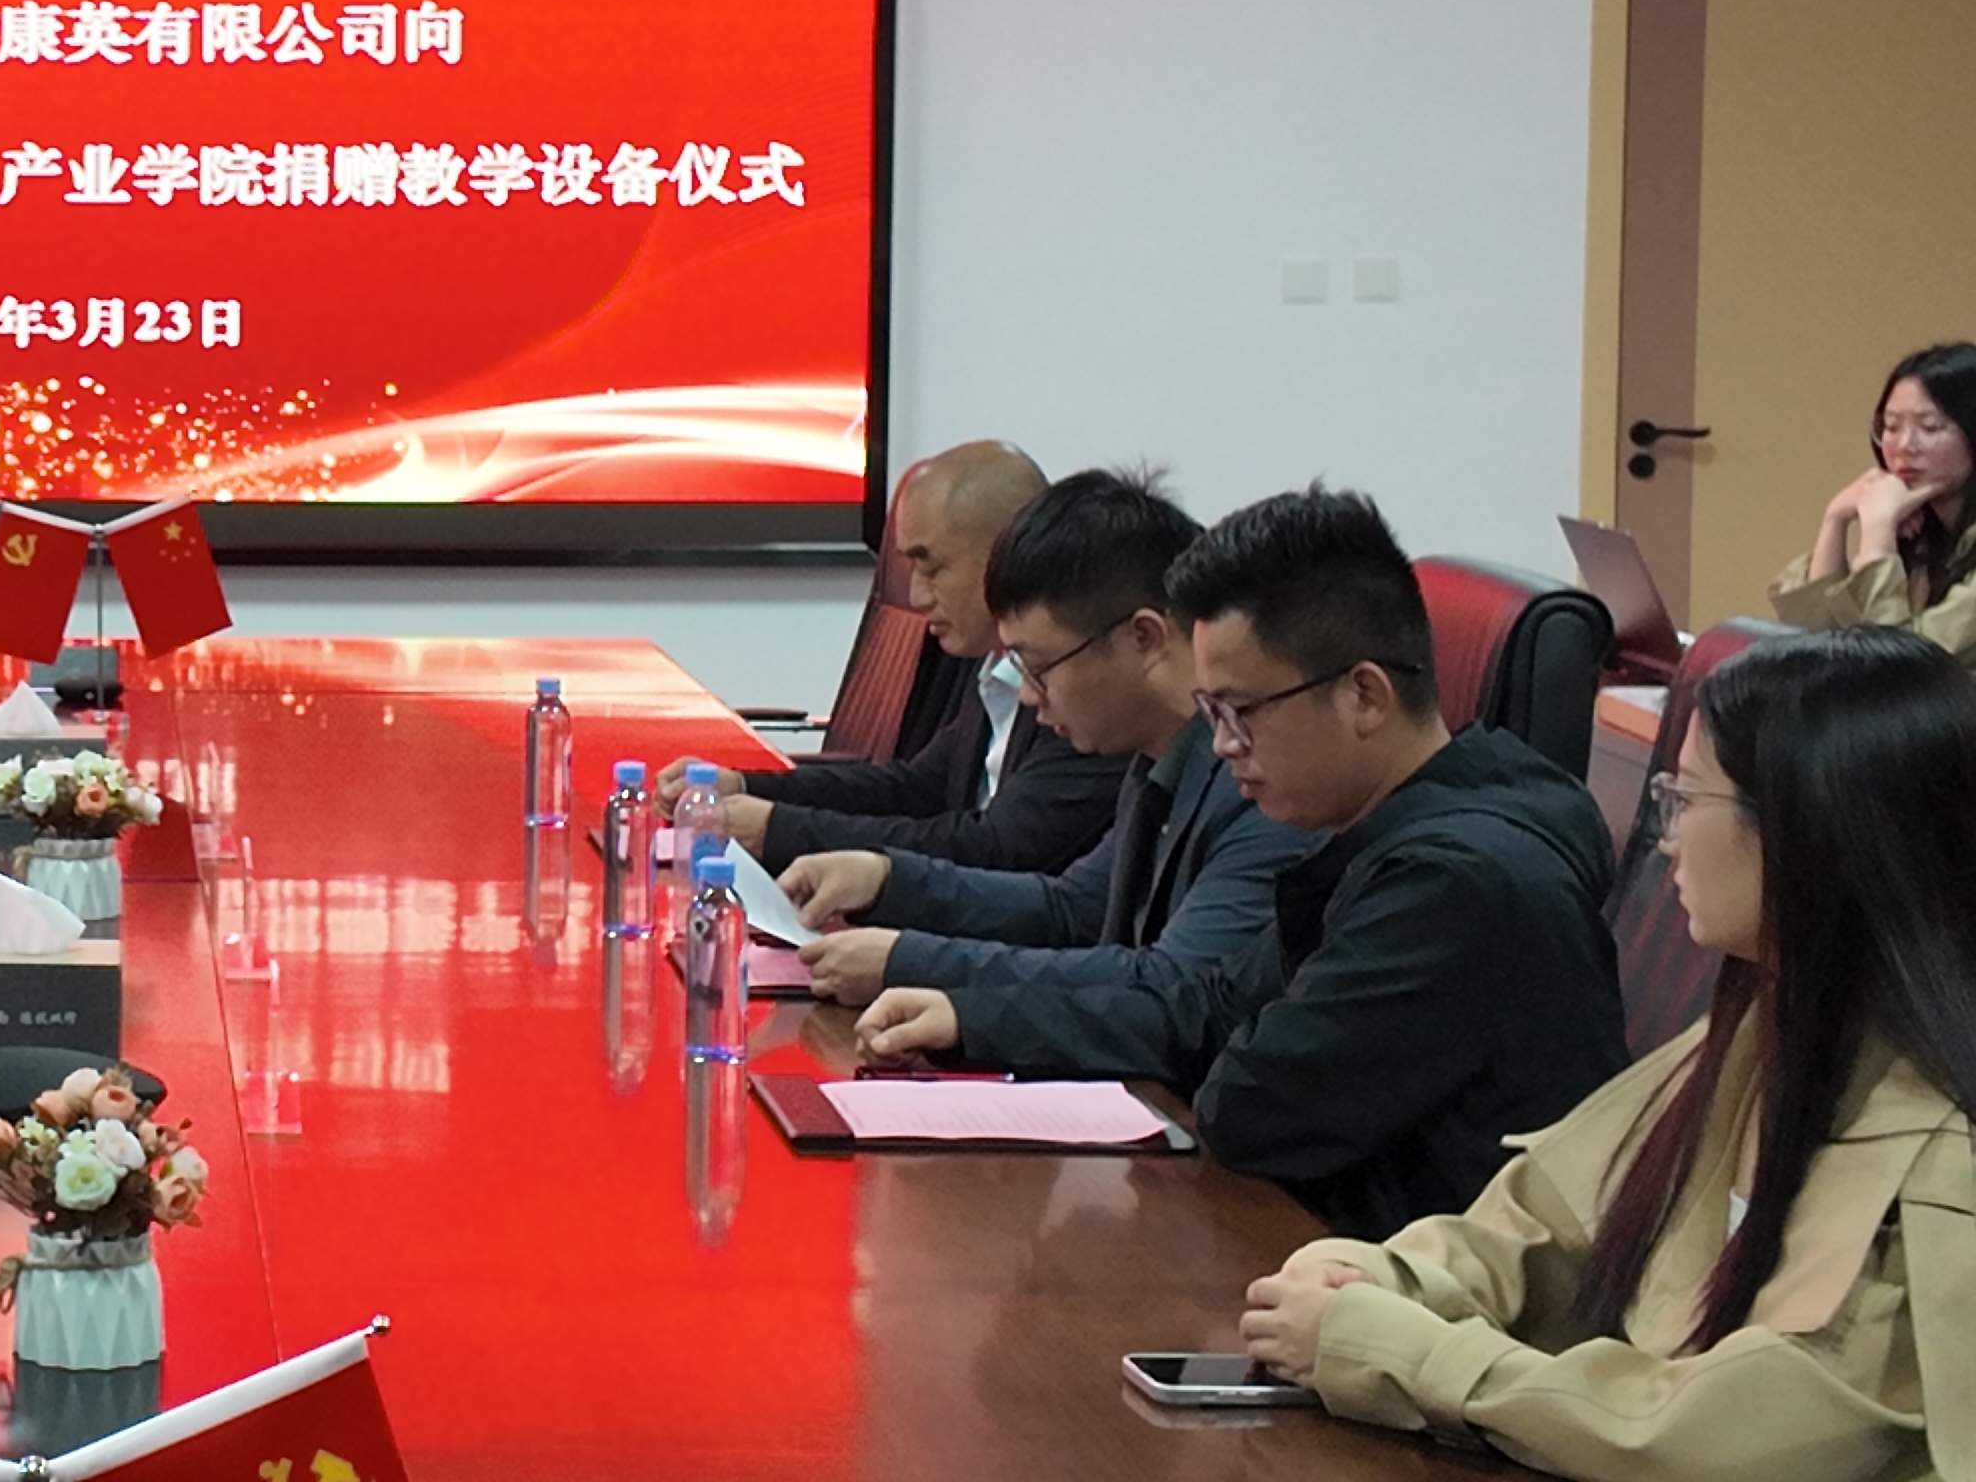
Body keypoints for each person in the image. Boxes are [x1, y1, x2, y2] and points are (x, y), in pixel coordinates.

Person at [1239, 627, 1974, 1478]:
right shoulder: (1762, 1026)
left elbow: (1706, 1440)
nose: (1665, 837)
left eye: (1686, 799)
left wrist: (1408, 1354)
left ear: (1805, 833)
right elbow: (1539, 1226)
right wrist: (1373, 1281)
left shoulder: (1941, 1147)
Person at [887, 486, 1623, 1237]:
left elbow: (1247, 1109)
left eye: (1241, 713)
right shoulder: (1378, 834)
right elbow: (1204, 1007)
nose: (1224, 745)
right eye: (1213, 714)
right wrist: (974, 1018)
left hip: (1411, 1284)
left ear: (1365, 697)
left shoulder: (1450, 886)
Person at [785, 470, 1319, 1083]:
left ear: (1144, 637)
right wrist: (885, 878)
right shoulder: (1160, 755)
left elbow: (1174, 988)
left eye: (1038, 668)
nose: (1029, 698)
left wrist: (923, 969)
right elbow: (1073, 908)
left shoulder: (1262, 783)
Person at [693, 444, 1129, 875]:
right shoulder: (993, 667)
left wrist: (779, 830)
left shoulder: (1086, 686)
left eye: (932, 568)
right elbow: (916, 789)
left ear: (1006, 552)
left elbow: (995, 849)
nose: (917, 597)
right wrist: (747, 786)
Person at [1771, 340, 1976, 665]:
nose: (1904, 445)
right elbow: (1813, 644)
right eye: (1891, 427)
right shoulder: (1923, 532)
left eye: (1929, 427)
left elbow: (1902, 667)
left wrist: (1878, 529)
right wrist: (1836, 519)